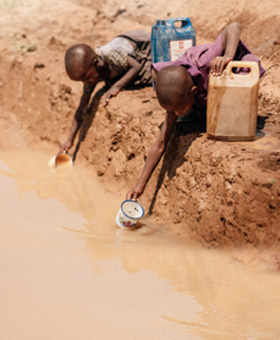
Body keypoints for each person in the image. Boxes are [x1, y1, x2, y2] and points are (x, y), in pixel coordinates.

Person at [127, 22, 265, 200]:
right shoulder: (175, 99)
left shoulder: (205, 61)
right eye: (173, 111)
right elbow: (161, 143)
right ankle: (203, 110)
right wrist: (140, 185)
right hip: (200, 95)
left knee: (248, 65)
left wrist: (228, 56)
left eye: (180, 109)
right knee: (184, 120)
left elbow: (233, 26)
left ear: (193, 93)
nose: (176, 113)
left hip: (225, 74)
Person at [60, 30, 152, 152]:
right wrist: (70, 140)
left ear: (96, 64)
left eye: (87, 79)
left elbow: (136, 66)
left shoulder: (111, 56)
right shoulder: (91, 75)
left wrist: (117, 86)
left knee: (151, 75)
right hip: (125, 61)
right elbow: (82, 107)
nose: (87, 83)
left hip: (145, 49)